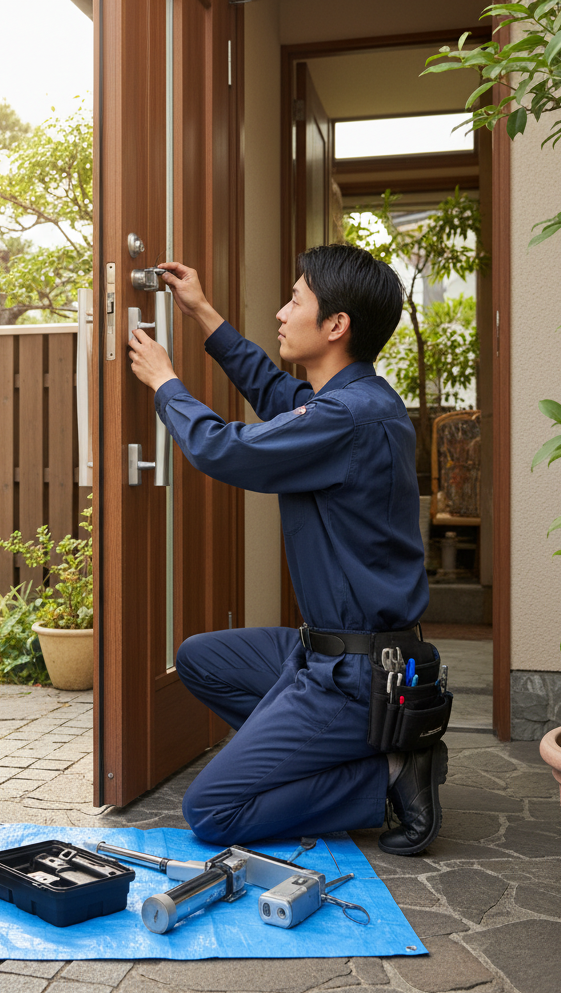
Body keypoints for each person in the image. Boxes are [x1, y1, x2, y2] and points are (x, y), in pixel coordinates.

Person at [126, 245, 447, 856]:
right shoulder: (354, 401)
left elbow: (225, 450)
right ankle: (338, 754)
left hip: (356, 676)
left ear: (335, 325)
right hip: (326, 653)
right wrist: (202, 313)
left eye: (295, 300)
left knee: (211, 810)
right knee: (200, 659)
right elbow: (276, 394)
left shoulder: (349, 417)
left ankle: (386, 772)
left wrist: (167, 384)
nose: (280, 312)